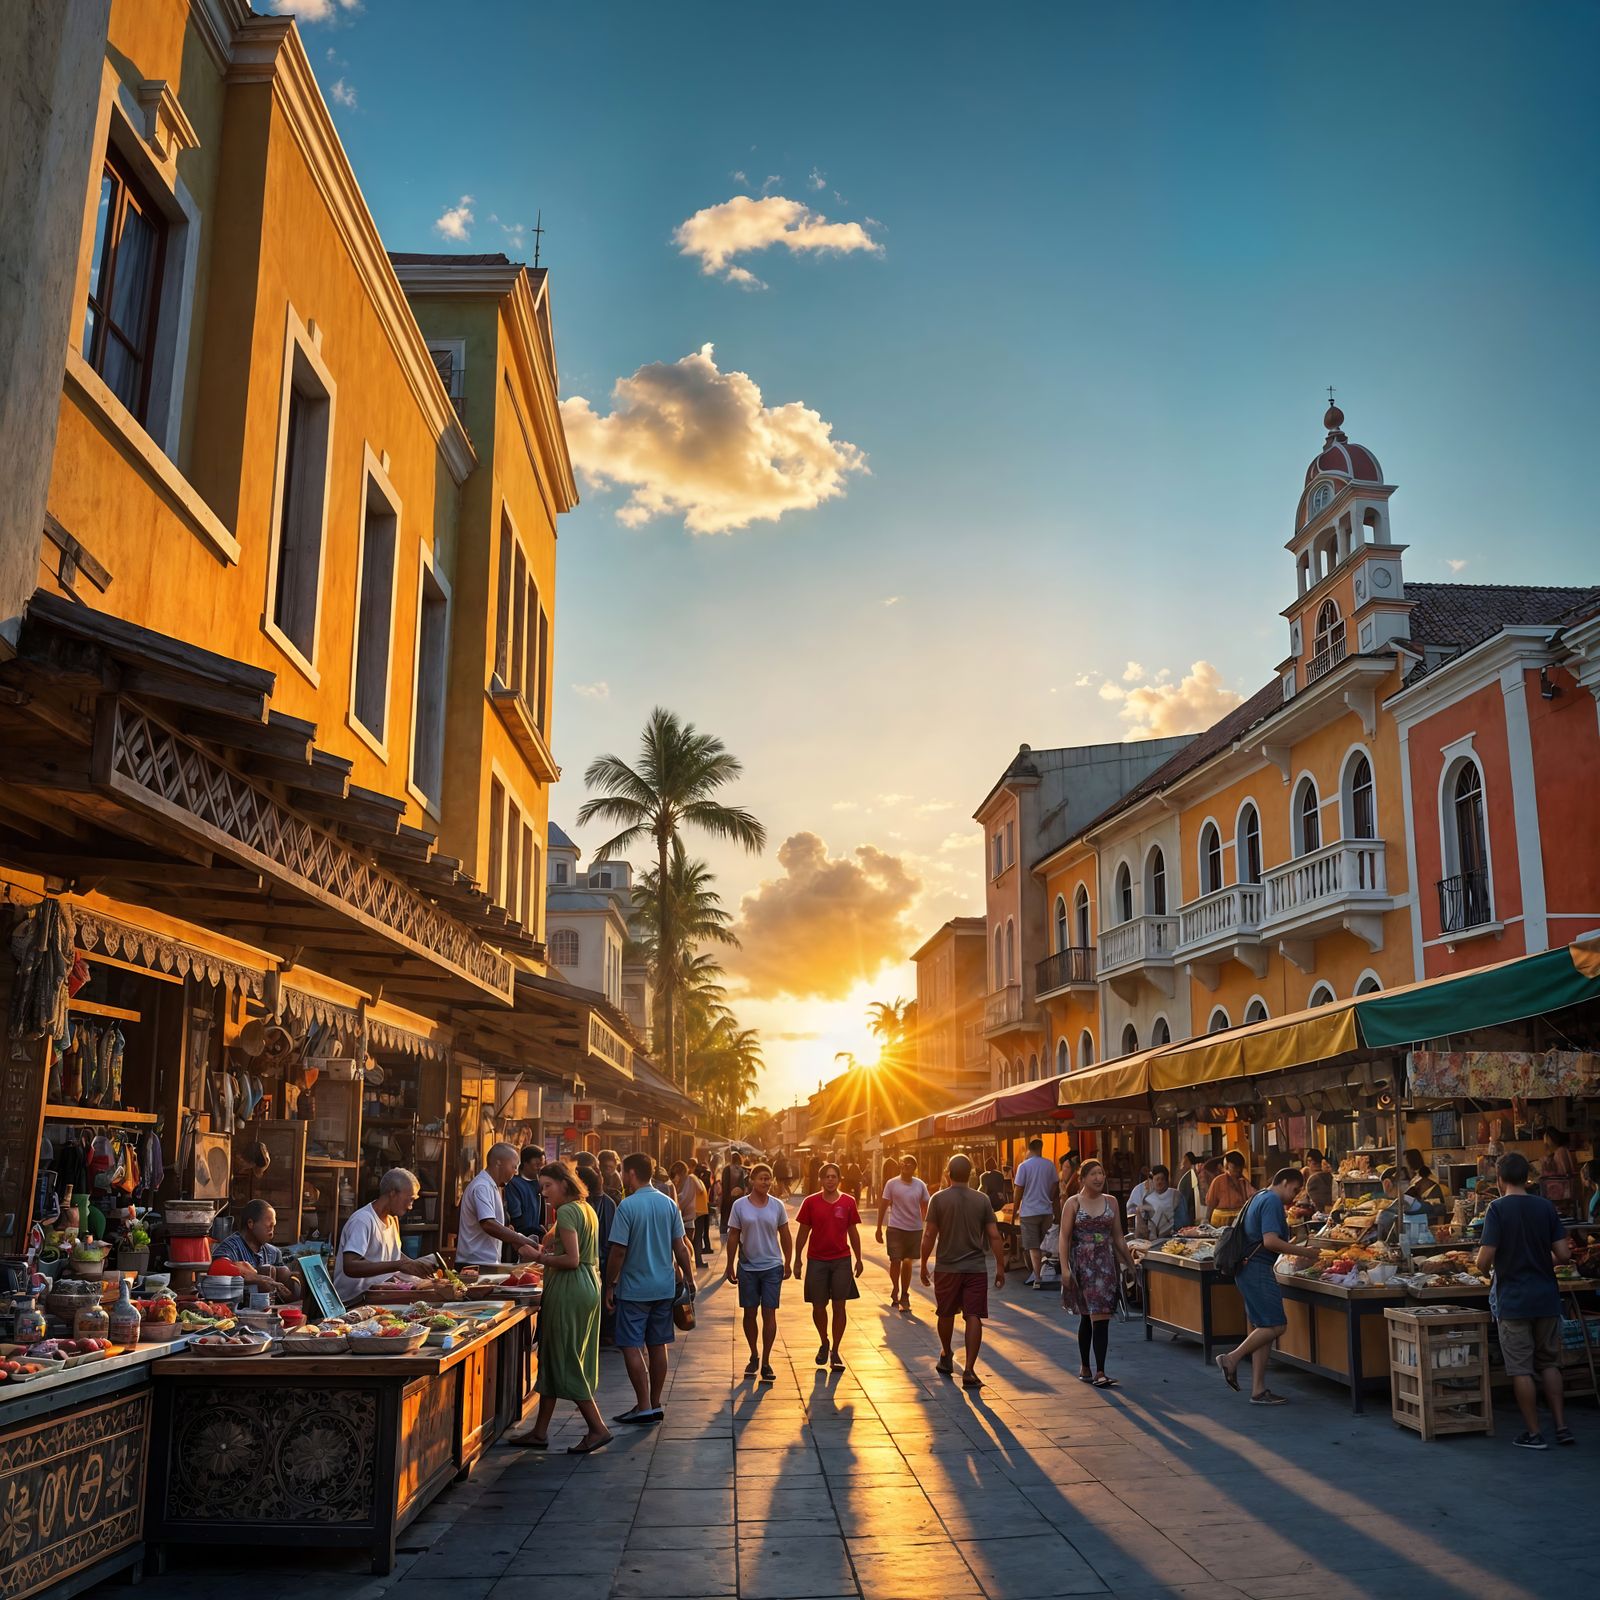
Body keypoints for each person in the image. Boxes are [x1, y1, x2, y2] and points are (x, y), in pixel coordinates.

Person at [510, 1162, 610, 1454]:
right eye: (541, 1187)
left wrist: (537, 1257)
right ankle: (540, 1432)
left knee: (564, 1356)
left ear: (564, 1184)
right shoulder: (585, 1208)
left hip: (570, 1288)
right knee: (555, 1355)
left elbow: (572, 1260)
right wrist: (547, 1245)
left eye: (548, 1186)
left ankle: (597, 1427)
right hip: (587, 1286)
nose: (543, 1193)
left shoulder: (567, 1211)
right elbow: (562, 1248)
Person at [1477, 1151, 1575, 1448]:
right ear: (1527, 1178)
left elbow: (1484, 1260)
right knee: (1549, 1363)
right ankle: (1561, 1427)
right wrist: (1537, 1259)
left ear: (1500, 1179)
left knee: (1521, 1368)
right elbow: (1564, 1255)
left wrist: (1492, 1267)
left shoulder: (1497, 1209)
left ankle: (1534, 1434)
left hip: (1514, 1299)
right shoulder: (1545, 1207)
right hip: (1546, 1297)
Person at [1215, 1168, 1322, 1404]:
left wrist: (1292, 1245)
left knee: (1263, 1328)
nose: (1294, 1195)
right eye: (1294, 1189)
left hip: (1248, 1269)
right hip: (1257, 1270)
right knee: (1277, 1325)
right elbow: (1270, 1241)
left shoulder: (1259, 1196)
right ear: (1283, 1182)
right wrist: (1305, 1251)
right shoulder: (1272, 1200)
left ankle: (1258, 1390)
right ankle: (1231, 1359)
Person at [606, 1152, 693, 1426]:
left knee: (631, 1345)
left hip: (634, 1289)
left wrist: (610, 1284)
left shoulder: (627, 1207)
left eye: (623, 1171)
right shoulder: (668, 1204)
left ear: (631, 1173)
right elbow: (681, 1246)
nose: (621, 1176)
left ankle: (643, 1406)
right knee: (658, 1344)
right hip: (664, 1287)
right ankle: (654, 1403)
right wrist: (689, 1278)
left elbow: (618, 1251)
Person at [920, 1153, 1006, 1388]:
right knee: (973, 1315)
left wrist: (923, 1262)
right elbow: (994, 1235)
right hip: (976, 1268)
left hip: (947, 1268)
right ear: (971, 1174)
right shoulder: (982, 1200)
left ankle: (946, 1354)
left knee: (945, 1313)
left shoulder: (938, 1199)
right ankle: (968, 1370)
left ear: (947, 1173)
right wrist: (1000, 1266)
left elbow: (929, 1234)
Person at [1059, 1158, 1137, 1387]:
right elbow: (1064, 1238)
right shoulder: (1073, 1203)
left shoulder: (1111, 1202)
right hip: (1082, 1264)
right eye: (1093, 1174)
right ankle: (1085, 1365)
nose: (1098, 1178)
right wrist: (1064, 1269)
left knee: (1101, 1317)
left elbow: (1118, 1236)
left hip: (1105, 1265)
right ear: (1082, 1179)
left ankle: (1100, 1371)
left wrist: (1130, 1263)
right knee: (1087, 1316)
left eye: (1101, 1173)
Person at [725, 1162, 793, 1382]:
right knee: (749, 1313)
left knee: (769, 1313)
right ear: (752, 1180)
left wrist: (789, 1261)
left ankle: (765, 1361)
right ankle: (753, 1352)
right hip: (747, 1267)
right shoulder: (740, 1206)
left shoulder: (777, 1206)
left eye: (768, 1178)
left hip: (772, 1266)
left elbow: (785, 1234)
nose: (765, 1182)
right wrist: (729, 1264)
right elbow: (734, 1235)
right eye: (761, 1178)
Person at [795, 1163, 865, 1369]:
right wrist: (797, 1259)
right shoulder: (810, 1202)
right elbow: (802, 1233)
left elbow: (853, 1233)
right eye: (827, 1176)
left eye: (834, 1176)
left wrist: (859, 1259)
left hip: (841, 1260)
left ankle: (835, 1350)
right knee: (818, 1306)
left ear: (839, 1179)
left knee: (839, 1305)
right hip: (817, 1260)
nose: (830, 1180)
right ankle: (823, 1341)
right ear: (821, 1180)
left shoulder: (848, 1202)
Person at [334, 1168, 437, 1302]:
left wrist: (414, 1266)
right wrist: (399, 1265)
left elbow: (394, 1255)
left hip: (379, 1293)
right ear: (392, 1193)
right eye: (410, 1199)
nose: (410, 1207)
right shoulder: (363, 1220)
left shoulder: (392, 1219)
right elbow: (350, 1266)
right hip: (354, 1299)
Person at [457, 1143, 540, 1269]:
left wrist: (510, 1233)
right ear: (499, 1163)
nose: (516, 1171)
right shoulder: (482, 1186)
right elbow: (488, 1224)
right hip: (474, 1263)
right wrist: (521, 1239)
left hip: (486, 1262)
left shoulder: (493, 1186)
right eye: (514, 1166)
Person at [213, 1199, 298, 1302]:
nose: (272, 1232)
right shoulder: (229, 1249)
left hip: (271, 1311)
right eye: (268, 1226)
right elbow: (216, 1273)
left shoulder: (274, 1253)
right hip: (237, 1310)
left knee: (283, 1272)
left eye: (273, 1227)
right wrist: (256, 1277)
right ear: (250, 1223)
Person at [876, 1154, 931, 1311]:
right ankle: (895, 1287)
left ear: (915, 1168)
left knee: (907, 1261)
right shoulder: (892, 1184)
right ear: (900, 1166)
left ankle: (905, 1293)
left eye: (910, 1164)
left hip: (914, 1229)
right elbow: (883, 1204)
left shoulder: (920, 1185)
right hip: (895, 1228)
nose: (906, 1166)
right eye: (904, 1164)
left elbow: (925, 1205)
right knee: (895, 1260)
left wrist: (926, 1224)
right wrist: (879, 1227)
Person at [1012, 1138, 1059, 1289]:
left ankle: (1037, 1278)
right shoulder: (1050, 1165)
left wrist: (1015, 1211)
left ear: (1029, 1149)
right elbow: (1055, 1187)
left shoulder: (1023, 1166)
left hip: (1029, 1212)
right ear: (1041, 1148)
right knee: (1043, 1244)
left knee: (1033, 1246)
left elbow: (1018, 1190)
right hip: (1046, 1210)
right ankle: (1042, 1272)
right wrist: (1049, 1200)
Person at [1365, 1167, 1435, 1247]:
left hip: (1406, 1249)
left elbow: (1380, 1242)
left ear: (1386, 1184)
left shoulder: (1388, 1212)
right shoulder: (1417, 1202)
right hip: (1425, 1247)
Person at [504, 1146, 546, 1263]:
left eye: (542, 1164)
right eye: (536, 1164)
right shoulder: (514, 1184)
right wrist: (539, 1231)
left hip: (536, 1240)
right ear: (525, 1163)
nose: (539, 1168)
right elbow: (516, 1216)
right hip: (519, 1241)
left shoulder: (539, 1184)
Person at [670, 1160, 709, 1267]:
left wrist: (676, 1200)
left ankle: (698, 1262)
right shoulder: (688, 1179)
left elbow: (698, 1190)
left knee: (695, 1239)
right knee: (695, 1238)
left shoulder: (690, 1178)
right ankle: (698, 1262)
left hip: (695, 1212)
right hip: (697, 1211)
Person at [1205, 1150, 1254, 1226]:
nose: (1238, 1170)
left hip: (1239, 1221)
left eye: (1240, 1167)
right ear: (1227, 1165)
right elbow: (1210, 1204)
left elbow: (1252, 1198)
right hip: (1220, 1223)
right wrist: (1206, 1220)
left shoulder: (1244, 1182)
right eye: (1234, 1167)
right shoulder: (1218, 1181)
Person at [1133, 1165, 1178, 1242]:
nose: (1159, 1182)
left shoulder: (1175, 1196)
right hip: (1150, 1241)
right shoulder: (1145, 1198)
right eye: (1156, 1179)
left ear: (1167, 1181)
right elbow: (1140, 1234)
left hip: (1171, 1239)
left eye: (1162, 1179)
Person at [1542, 1128, 1579, 1217]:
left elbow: (1565, 1173)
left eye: (1546, 1139)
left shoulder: (1560, 1151)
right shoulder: (1557, 1152)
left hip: (1563, 1194)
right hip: (1559, 1194)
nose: (1545, 1142)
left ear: (1552, 1139)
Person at [1401, 1150, 1448, 1220]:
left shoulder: (1421, 1179)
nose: (1404, 1165)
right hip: (1430, 1212)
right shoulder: (1419, 1176)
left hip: (1432, 1214)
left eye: (1405, 1162)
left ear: (1410, 1162)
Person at [720, 1150, 749, 1237]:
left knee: (725, 1218)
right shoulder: (743, 1170)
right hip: (740, 1199)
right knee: (738, 1220)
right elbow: (744, 1186)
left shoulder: (726, 1169)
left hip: (727, 1199)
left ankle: (724, 1236)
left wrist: (725, 1198)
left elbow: (725, 1185)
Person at [1299, 1150, 1334, 1217]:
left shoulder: (1319, 1177)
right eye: (1309, 1161)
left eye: (1312, 1162)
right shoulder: (1306, 1173)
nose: (1310, 1164)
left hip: (1319, 1213)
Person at [1173, 1152, 1203, 1230]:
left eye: (1184, 1162)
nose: (1181, 1165)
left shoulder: (1190, 1177)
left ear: (1188, 1162)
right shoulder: (1186, 1178)